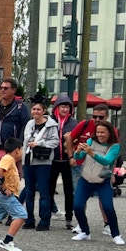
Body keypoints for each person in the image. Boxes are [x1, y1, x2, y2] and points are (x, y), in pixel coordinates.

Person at [70, 121, 124, 246]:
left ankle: (116, 234)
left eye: (102, 132)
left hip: (102, 180)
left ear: (109, 133)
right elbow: (78, 157)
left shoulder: (115, 146)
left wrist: (92, 153)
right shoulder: (90, 142)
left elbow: (107, 161)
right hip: (85, 179)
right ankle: (85, 231)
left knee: (108, 207)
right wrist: (77, 152)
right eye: (98, 132)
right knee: (77, 206)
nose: (99, 135)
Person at [0, 77, 29, 209]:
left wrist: (18, 148)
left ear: (14, 90)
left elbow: (24, 128)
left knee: (11, 183)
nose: (2, 90)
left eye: (6, 88)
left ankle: (11, 211)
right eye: (1, 88)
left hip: (10, 152)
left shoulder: (21, 108)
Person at [67, 103, 111, 235]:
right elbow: (70, 137)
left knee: (103, 197)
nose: (97, 120)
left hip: (100, 167)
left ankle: (108, 224)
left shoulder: (111, 129)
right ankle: (81, 223)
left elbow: (115, 148)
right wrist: (71, 156)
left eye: (101, 117)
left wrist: (113, 169)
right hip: (80, 165)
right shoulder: (84, 124)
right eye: (95, 116)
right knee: (80, 195)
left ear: (107, 116)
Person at [21, 100, 59, 231]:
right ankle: (29, 219)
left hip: (43, 162)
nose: (35, 112)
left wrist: (40, 143)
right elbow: (25, 140)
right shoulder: (29, 124)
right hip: (28, 160)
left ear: (43, 111)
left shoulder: (51, 125)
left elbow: (55, 142)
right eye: (34, 109)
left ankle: (44, 221)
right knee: (29, 191)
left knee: (44, 192)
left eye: (38, 109)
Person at [48, 95, 78, 230]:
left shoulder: (73, 123)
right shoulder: (49, 121)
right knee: (49, 189)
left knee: (68, 190)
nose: (65, 109)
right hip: (52, 160)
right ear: (56, 108)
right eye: (62, 106)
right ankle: (46, 215)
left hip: (67, 160)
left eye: (67, 107)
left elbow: (78, 140)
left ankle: (69, 218)